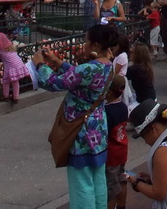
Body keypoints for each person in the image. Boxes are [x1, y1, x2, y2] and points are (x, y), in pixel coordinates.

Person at [33, 23, 120, 207]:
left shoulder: (90, 68)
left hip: (81, 130)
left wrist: (39, 64)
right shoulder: (108, 65)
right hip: (98, 128)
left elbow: (53, 83)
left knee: (81, 182)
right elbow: (76, 76)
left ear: (96, 45)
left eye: (87, 41)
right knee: (98, 179)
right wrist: (57, 61)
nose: (85, 44)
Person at [104, 75, 129, 209]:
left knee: (111, 186)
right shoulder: (123, 107)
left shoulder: (107, 111)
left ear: (109, 92)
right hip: (122, 149)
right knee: (122, 179)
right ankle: (122, 206)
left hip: (111, 154)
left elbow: (105, 134)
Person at [0, 30, 30, 105]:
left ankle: (6, 96)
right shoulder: (10, 47)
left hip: (11, 67)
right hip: (18, 64)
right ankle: (16, 97)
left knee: (5, 81)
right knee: (15, 82)